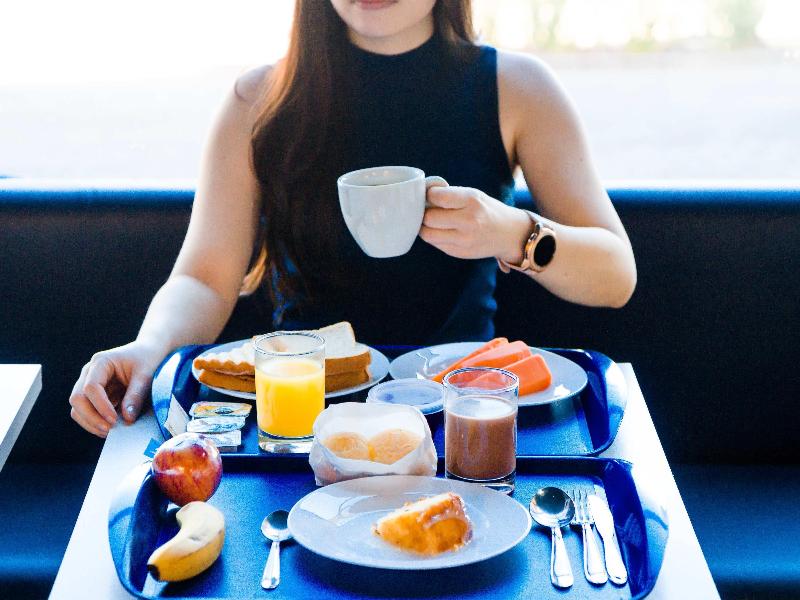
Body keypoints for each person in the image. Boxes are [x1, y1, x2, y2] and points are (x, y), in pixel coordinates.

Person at [69, 0, 636, 438]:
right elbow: (203, 279)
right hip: (297, 426)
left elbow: (616, 275)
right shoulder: (257, 101)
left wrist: (513, 233)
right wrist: (148, 349)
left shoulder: (518, 88)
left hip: (459, 422)